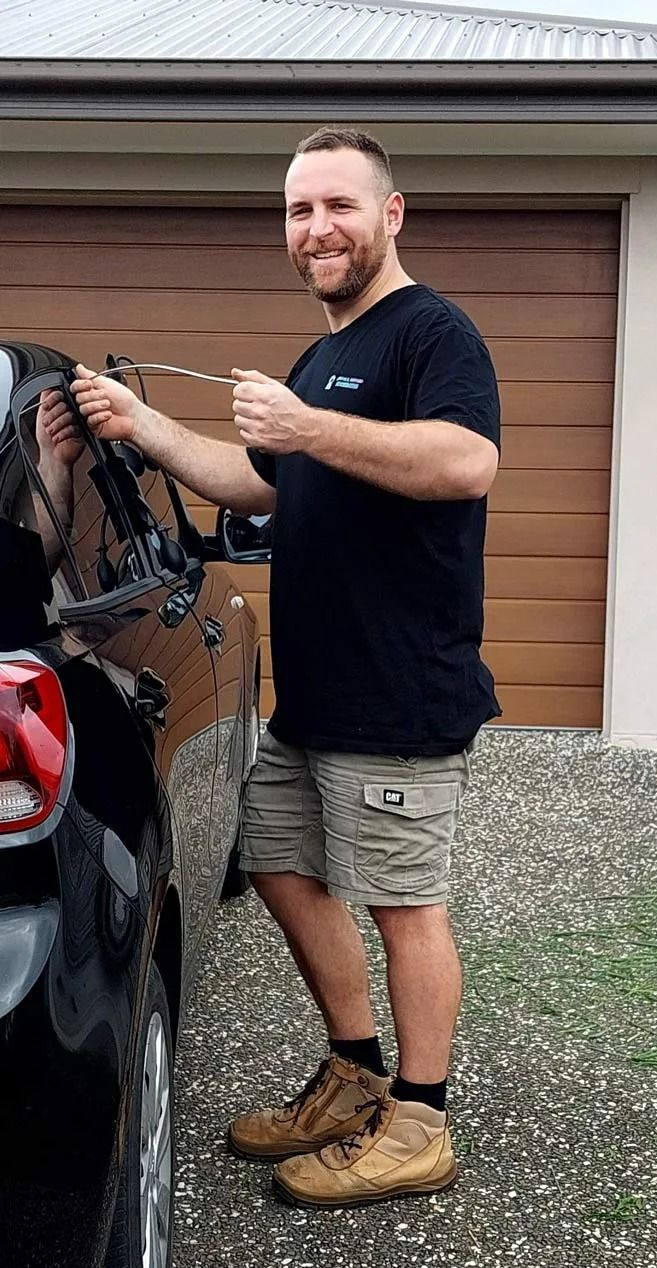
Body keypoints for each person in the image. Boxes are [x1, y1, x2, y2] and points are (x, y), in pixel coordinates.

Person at [68, 127, 501, 1210]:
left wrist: (311, 426)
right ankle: (355, 1074)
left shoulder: (431, 332)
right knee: (272, 862)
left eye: (338, 205)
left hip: (400, 688)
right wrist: (141, 423)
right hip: (316, 694)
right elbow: (257, 482)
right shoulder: (322, 355)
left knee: (403, 902)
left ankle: (421, 1119)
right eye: (300, 210)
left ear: (390, 214)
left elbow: (465, 460)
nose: (317, 228)